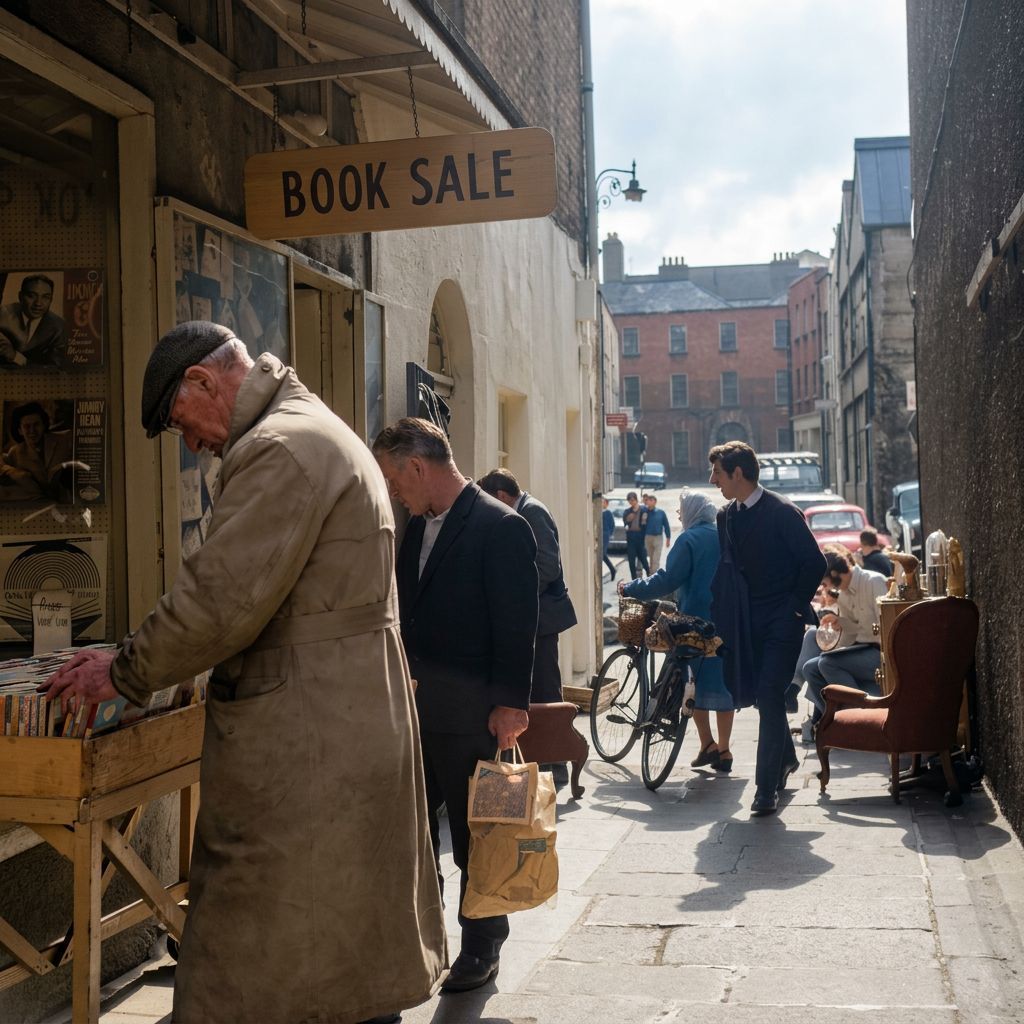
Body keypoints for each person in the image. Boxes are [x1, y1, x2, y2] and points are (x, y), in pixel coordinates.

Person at [41, 322, 445, 1024]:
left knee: (279, 956)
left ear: (202, 381)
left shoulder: (279, 449)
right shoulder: (306, 427)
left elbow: (220, 599)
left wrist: (127, 670)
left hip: (308, 737)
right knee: (341, 946)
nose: (191, 443)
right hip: (339, 717)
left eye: (180, 423)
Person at [372, 419, 538, 995]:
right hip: (416, 710)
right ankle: (421, 937)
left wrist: (511, 707)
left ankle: (482, 945)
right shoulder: (415, 528)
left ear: (418, 467)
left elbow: (518, 627)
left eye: (395, 480)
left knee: (479, 837)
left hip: (474, 713)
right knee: (409, 830)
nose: (394, 492)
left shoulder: (502, 526)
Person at [708, 441, 826, 817]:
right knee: (761, 698)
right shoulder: (725, 516)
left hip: (782, 622)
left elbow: (814, 562)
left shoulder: (782, 512)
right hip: (745, 622)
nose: (713, 481)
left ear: (737, 473)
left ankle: (765, 790)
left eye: (718, 473)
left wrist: (793, 608)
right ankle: (787, 759)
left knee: (770, 696)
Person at [620, 491, 736, 771]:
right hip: (726, 621)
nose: (679, 515)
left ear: (692, 511)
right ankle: (724, 749)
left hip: (694, 623)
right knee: (722, 685)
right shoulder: (725, 534)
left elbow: (668, 579)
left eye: (682, 510)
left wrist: (632, 587)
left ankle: (706, 742)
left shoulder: (689, 539)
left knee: (690, 682)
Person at [479, 468, 577, 789]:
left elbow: (548, 566)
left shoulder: (532, 512)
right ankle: (540, 756)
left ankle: (557, 762)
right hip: (534, 616)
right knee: (534, 688)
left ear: (503, 496)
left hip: (543, 617)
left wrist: (512, 592)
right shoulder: (524, 510)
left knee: (546, 689)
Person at [801, 549, 887, 726]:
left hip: (881, 652)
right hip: (861, 649)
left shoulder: (873, 581)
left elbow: (885, 625)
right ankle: (836, 723)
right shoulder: (844, 595)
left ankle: (864, 720)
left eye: (825, 583)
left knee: (827, 663)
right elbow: (852, 634)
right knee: (809, 667)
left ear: (834, 573)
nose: (826, 589)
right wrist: (838, 625)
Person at [0, 401, 75, 502]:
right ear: (20, 430)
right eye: (27, 426)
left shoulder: (66, 438)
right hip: (39, 506)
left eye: (36, 425)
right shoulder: (15, 453)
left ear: (44, 425)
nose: (32, 430)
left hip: (71, 504)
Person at [0, 274, 68, 367]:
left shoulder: (59, 327)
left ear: (51, 300)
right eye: (31, 296)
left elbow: (54, 368)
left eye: (45, 297)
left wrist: (16, 357)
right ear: (20, 297)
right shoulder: (3, 314)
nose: (38, 303)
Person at [623, 490, 650, 579]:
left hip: (640, 538)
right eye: (629, 501)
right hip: (631, 538)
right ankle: (633, 580)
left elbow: (646, 523)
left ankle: (650, 576)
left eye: (633, 500)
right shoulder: (627, 511)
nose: (631, 502)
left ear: (636, 500)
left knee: (643, 559)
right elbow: (625, 522)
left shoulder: (643, 510)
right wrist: (628, 520)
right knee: (631, 561)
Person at [643, 493, 672, 573]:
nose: (649, 502)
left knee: (656, 558)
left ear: (655, 502)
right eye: (648, 500)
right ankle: (651, 574)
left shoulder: (661, 512)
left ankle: (654, 575)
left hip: (658, 538)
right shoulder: (644, 512)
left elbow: (666, 525)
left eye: (651, 500)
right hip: (647, 537)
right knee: (651, 557)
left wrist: (668, 538)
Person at [601, 497, 616, 580]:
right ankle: (613, 569)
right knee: (602, 555)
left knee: (602, 554)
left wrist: (609, 534)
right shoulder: (598, 512)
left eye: (603, 502)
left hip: (605, 535)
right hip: (599, 535)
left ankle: (612, 570)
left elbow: (612, 525)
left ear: (606, 504)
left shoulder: (608, 513)